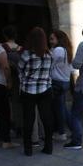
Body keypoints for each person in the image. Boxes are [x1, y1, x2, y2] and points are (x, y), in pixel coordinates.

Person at [18, 27, 55, 156]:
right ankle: (49, 147)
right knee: (46, 118)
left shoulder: (26, 55)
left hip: (28, 90)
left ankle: (28, 149)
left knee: (28, 119)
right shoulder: (49, 55)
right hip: (45, 89)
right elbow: (50, 73)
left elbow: (20, 72)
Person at [49, 29, 73, 142]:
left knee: (59, 109)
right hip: (65, 81)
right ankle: (73, 129)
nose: (50, 41)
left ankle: (61, 132)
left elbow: (50, 64)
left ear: (59, 39)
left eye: (52, 39)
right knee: (62, 107)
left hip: (57, 82)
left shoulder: (57, 50)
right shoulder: (66, 50)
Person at [1, 25, 23, 138]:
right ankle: (19, 125)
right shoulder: (21, 48)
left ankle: (9, 126)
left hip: (5, 78)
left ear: (5, 35)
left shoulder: (2, 47)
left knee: (6, 104)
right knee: (17, 104)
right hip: (18, 79)